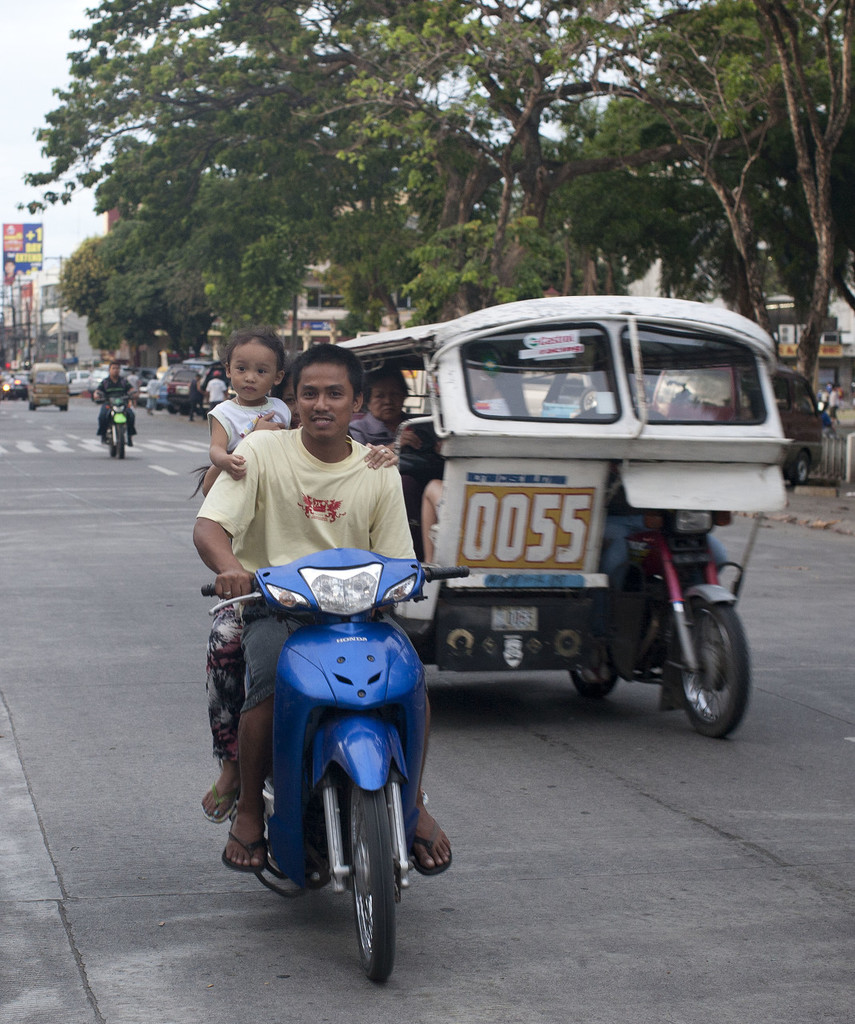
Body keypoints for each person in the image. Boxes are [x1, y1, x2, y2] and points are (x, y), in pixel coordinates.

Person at [194, 343, 451, 874]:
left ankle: (415, 800)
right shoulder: (263, 453)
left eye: (335, 393)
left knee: (412, 686)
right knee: (264, 685)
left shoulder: (378, 469)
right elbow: (209, 525)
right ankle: (248, 812)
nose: (321, 404)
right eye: (309, 393)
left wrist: (412, 576)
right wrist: (230, 567)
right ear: (293, 397)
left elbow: (399, 558)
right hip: (278, 609)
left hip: (360, 614)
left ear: (356, 402)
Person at [349, 368, 444, 559]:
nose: (388, 401)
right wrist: (397, 445)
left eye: (394, 394)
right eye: (380, 396)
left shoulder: (420, 425)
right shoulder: (357, 428)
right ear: (367, 399)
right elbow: (359, 461)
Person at [95, 361, 137, 445]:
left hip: (122, 404)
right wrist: (97, 395)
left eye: (117, 368)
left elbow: (131, 390)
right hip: (109, 403)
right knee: (102, 416)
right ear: (109, 370)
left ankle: (130, 436)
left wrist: (134, 394)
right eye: (113, 368)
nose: (115, 370)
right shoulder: (105, 382)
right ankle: (103, 435)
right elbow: (98, 391)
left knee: (131, 415)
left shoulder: (124, 381)